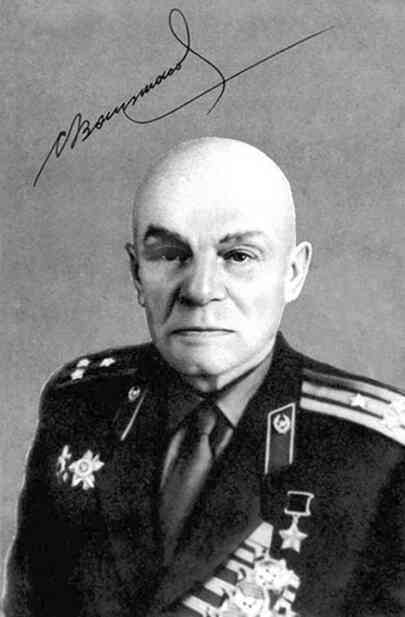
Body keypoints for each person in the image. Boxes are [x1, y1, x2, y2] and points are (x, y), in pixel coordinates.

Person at [4, 138, 405, 617]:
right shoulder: (82, 405)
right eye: (170, 255)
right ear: (137, 272)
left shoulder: (376, 455)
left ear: (293, 273)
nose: (200, 290)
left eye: (238, 256)